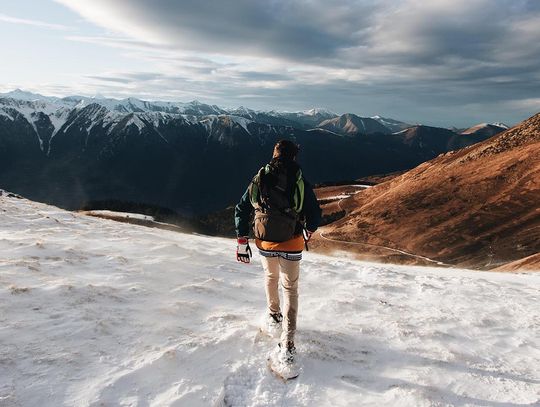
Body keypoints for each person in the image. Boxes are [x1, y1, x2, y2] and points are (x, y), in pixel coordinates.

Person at [234, 139, 321, 365]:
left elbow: (242, 207)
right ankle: (288, 344)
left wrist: (242, 239)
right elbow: (314, 215)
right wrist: (308, 231)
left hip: (265, 242)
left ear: (274, 154)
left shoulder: (260, 177)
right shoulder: (300, 179)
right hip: (291, 243)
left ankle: (273, 316)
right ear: (294, 156)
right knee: (290, 288)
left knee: (270, 277)